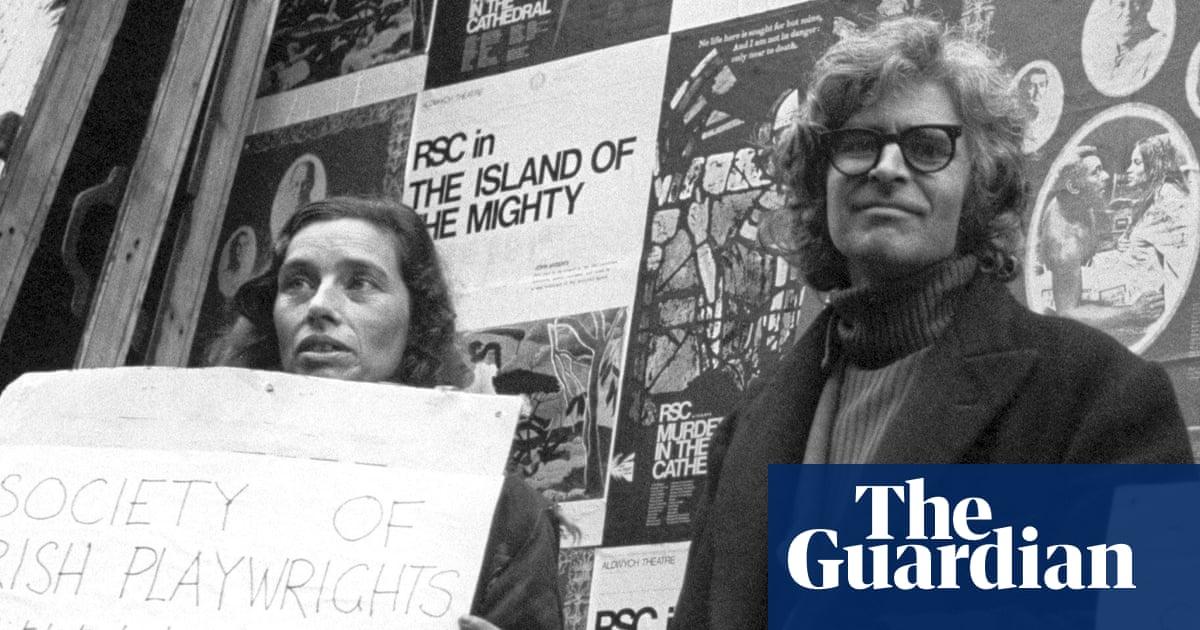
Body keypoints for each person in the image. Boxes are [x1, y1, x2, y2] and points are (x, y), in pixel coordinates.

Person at [672, 16, 1192, 630]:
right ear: (820, 180)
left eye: (926, 147)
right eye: (858, 142)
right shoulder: (746, 431)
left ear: (980, 184)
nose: (886, 168)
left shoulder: (1103, 395)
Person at [210, 196, 564, 630]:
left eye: (359, 283)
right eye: (297, 282)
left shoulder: (501, 512)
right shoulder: (195, 479)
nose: (318, 305)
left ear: (416, 319)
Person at [1037, 145, 1163, 329]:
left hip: (1081, 271)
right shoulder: (1065, 244)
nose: (1106, 176)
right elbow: (1068, 313)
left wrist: (1113, 246)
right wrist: (1132, 312)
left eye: (1101, 169)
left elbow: (1086, 250)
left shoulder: (1078, 202)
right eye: (1096, 172)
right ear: (1073, 186)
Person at [1095, 0, 1169, 87]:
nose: (1127, 12)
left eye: (1134, 3)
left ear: (1148, 4)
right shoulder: (1106, 52)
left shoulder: (1160, 45)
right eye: (1121, 5)